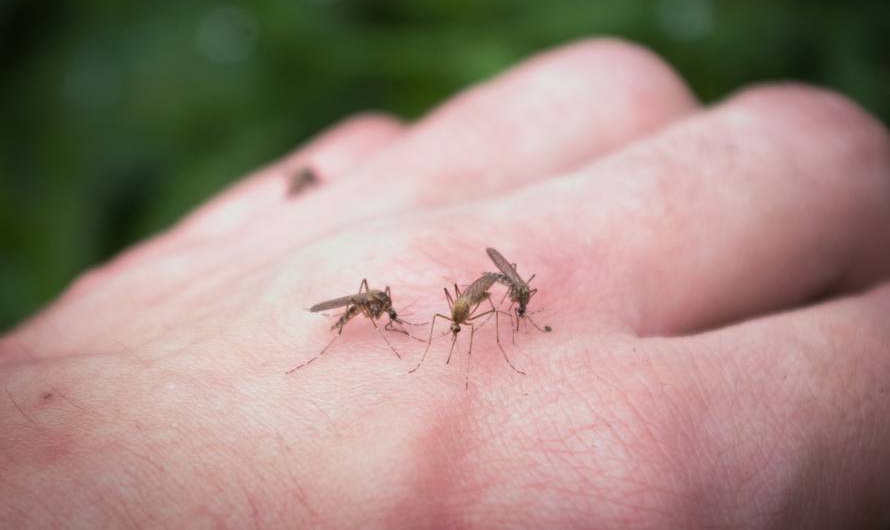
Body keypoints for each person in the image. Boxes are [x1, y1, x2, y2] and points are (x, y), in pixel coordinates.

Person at [2, 38, 888, 528]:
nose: (400, 309)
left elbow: (492, 288)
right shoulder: (435, 310)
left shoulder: (482, 295)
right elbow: (447, 304)